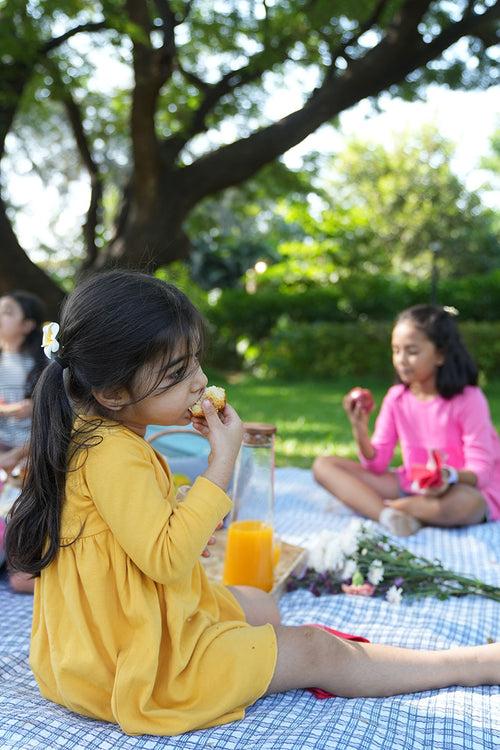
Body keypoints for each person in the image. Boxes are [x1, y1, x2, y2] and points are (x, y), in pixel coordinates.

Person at [5, 276, 500, 737]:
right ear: (112, 392)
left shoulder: (95, 435)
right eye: (178, 373)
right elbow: (168, 557)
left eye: (196, 362)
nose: (199, 382)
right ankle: (471, 664)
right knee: (315, 648)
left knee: (259, 601)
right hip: (138, 668)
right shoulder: (113, 453)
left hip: (104, 642)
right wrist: (223, 460)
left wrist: (178, 506)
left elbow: (129, 533)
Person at [313, 304, 500, 537]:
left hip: (458, 488)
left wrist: (448, 476)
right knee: (324, 466)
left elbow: (480, 472)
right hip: (413, 484)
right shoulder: (397, 397)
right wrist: (359, 429)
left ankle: (385, 509)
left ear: (440, 354)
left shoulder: (469, 399)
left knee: (467, 503)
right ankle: (390, 516)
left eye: (412, 351)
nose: (401, 360)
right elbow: (377, 464)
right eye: (396, 350)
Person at [0, 290, 47, 593]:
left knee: (22, 498)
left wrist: (18, 454)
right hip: (4, 454)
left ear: (28, 325)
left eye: (7, 312)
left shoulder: (43, 366)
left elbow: (52, 426)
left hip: (31, 455)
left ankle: (23, 566)